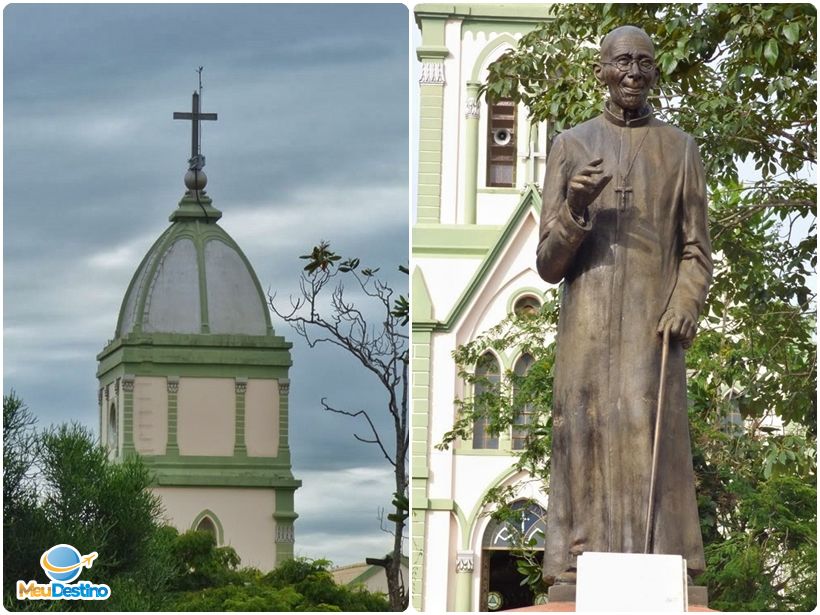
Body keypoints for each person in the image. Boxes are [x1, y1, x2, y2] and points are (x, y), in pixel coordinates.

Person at [536, 25, 712, 585]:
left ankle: (665, 563)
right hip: (586, 327)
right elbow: (546, 264)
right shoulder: (571, 145)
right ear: (601, 72)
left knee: (648, 430)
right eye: (622, 63)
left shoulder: (678, 148)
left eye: (644, 63)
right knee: (582, 432)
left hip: (650, 326)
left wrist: (685, 301)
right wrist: (575, 208)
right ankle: (575, 566)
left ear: (655, 71)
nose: (633, 73)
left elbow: (696, 249)